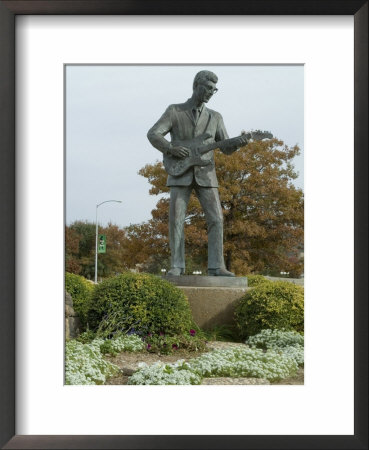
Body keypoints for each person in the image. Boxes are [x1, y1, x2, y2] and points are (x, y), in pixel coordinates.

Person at [147, 70, 247, 276]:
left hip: (207, 174)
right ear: (196, 85)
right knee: (176, 219)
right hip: (179, 172)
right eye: (208, 88)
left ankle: (217, 266)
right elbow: (153, 134)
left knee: (217, 219)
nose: (211, 93)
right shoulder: (175, 111)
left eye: (214, 90)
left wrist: (239, 142)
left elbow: (226, 147)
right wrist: (170, 149)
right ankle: (176, 265)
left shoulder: (216, 117)